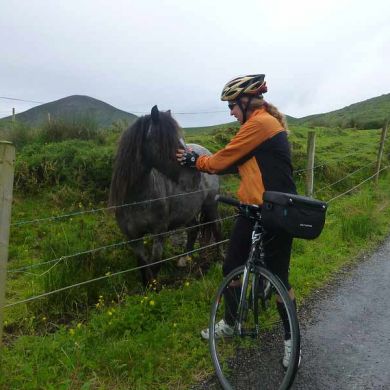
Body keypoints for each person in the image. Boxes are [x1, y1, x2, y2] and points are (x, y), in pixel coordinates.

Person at [177, 74, 299, 368]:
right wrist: (202, 161)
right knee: (231, 268)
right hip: (251, 210)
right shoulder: (259, 124)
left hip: (275, 211)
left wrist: (194, 160)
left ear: (246, 101)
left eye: (232, 105)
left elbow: (220, 161)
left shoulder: (259, 124)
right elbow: (235, 164)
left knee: (280, 278)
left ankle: (291, 343)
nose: (231, 112)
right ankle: (231, 324)